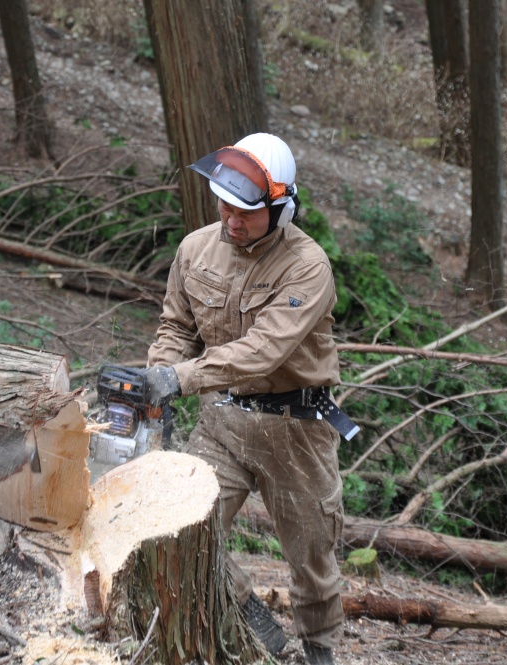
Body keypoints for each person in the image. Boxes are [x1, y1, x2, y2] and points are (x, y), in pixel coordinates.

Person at [138, 133, 359, 665]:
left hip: (296, 428)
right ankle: (244, 611)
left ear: (281, 208)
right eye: (226, 206)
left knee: (312, 555)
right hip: (222, 421)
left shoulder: (307, 267)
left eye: (247, 213)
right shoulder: (195, 248)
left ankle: (320, 650)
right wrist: (157, 376)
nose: (232, 221)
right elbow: (177, 328)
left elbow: (263, 350)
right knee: (174, 521)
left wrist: (181, 379)